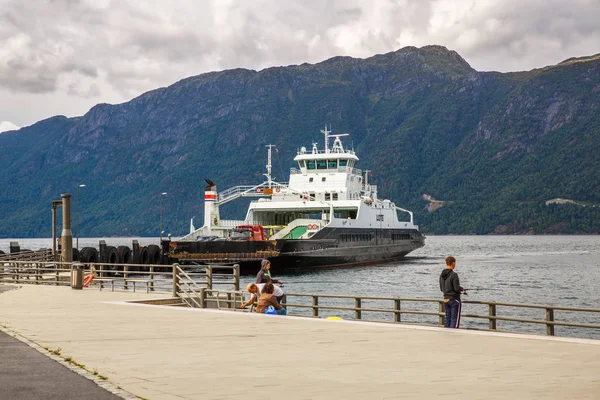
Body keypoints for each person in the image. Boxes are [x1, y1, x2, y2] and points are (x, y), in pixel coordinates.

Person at [439, 256, 464, 328]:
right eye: (455, 263)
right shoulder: (454, 275)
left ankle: (447, 334)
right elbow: (456, 288)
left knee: (447, 318)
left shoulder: (441, 275)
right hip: (454, 299)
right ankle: (453, 334)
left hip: (446, 299)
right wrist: (462, 289)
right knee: (454, 319)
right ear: (453, 263)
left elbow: (441, 288)